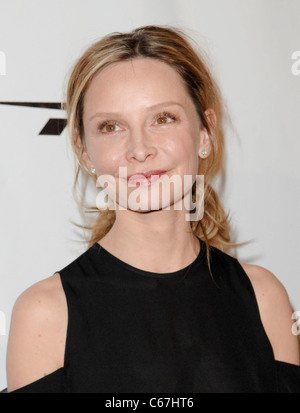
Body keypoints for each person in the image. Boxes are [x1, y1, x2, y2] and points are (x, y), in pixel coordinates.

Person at [6, 25, 300, 393]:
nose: (139, 149)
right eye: (111, 126)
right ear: (85, 151)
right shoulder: (45, 314)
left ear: (205, 133)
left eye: (163, 119)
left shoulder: (264, 298)